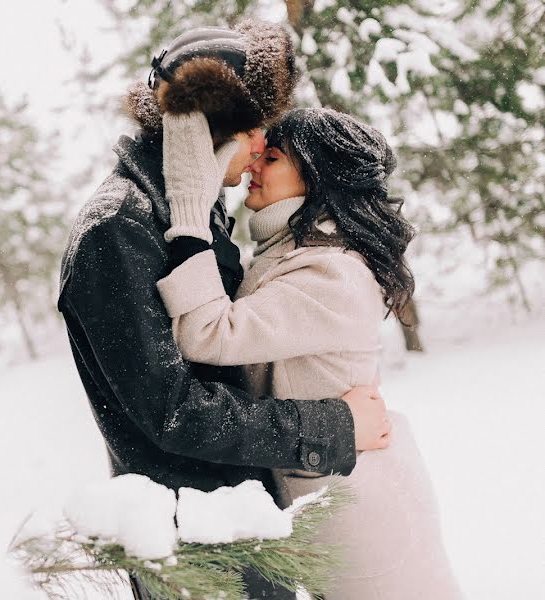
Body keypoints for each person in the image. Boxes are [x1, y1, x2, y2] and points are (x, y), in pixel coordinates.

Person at [57, 21, 390, 600]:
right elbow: (175, 413)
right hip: (195, 541)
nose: (262, 144)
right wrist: (333, 426)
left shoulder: (190, 211)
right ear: (208, 131)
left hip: (243, 518)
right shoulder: (119, 230)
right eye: (252, 127)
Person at [156, 107, 464, 599]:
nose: (252, 165)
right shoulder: (299, 252)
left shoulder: (330, 272)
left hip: (360, 507)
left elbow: (208, 333)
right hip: (339, 487)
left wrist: (190, 220)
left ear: (318, 178)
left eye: (271, 157)